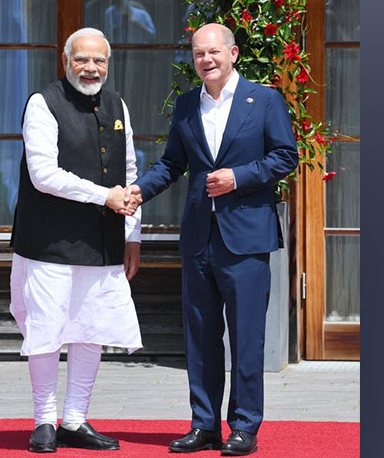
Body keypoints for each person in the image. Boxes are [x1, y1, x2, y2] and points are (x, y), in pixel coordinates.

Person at [128, 23, 299, 456]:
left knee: (246, 338)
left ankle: (243, 426)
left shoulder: (264, 100)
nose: (206, 60)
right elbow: (171, 163)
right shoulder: (187, 105)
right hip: (199, 237)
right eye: (198, 53)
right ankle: (204, 425)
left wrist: (239, 177)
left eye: (213, 52)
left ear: (233, 53)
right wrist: (138, 191)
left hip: (246, 239)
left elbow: (285, 156)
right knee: (200, 338)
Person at [9, 27, 143, 453]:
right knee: (47, 329)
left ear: (109, 63)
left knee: (92, 329)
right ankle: (44, 420)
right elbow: (43, 174)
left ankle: (75, 419)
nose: (91, 68)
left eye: (99, 60)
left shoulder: (118, 104)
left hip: (102, 239)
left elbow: (130, 173)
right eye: (82, 59)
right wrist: (105, 196)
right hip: (48, 240)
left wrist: (133, 236)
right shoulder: (42, 104)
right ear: (66, 62)